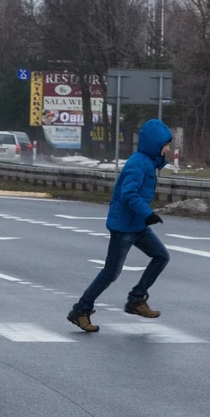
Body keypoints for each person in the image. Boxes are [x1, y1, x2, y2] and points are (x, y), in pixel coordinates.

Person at [67, 119, 173, 332]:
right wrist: (148, 213)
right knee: (110, 272)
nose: (168, 149)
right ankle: (80, 310)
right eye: (166, 144)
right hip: (124, 226)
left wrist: (145, 216)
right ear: (155, 144)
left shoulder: (148, 162)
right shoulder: (139, 164)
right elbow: (128, 194)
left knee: (161, 256)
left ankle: (136, 299)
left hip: (136, 225)